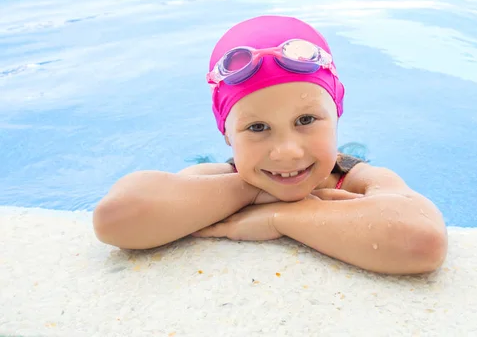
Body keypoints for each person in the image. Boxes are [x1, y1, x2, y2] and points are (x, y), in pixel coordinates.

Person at [93, 15, 448, 275]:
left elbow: (421, 242)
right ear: (228, 135)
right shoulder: (218, 178)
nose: (287, 152)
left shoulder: (356, 177)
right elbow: (117, 218)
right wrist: (253, 192)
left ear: (337, 116)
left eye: (306, 121)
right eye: (258, 127)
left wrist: (281, 217)